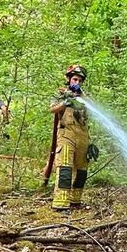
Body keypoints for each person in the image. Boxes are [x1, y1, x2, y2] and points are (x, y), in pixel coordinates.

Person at [48, 65, 98, 211]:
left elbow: (93, 109)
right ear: (69, 79)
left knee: (82, 170)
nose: (77, 82)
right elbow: (52, 109)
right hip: (66, 134)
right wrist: (66, 101)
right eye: (75, 79)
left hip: (83, 135)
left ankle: (75, 201)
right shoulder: (61, 94)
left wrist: (81, 96)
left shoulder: (84, 96)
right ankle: (61, 204)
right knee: (65, 167)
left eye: (80, 80)